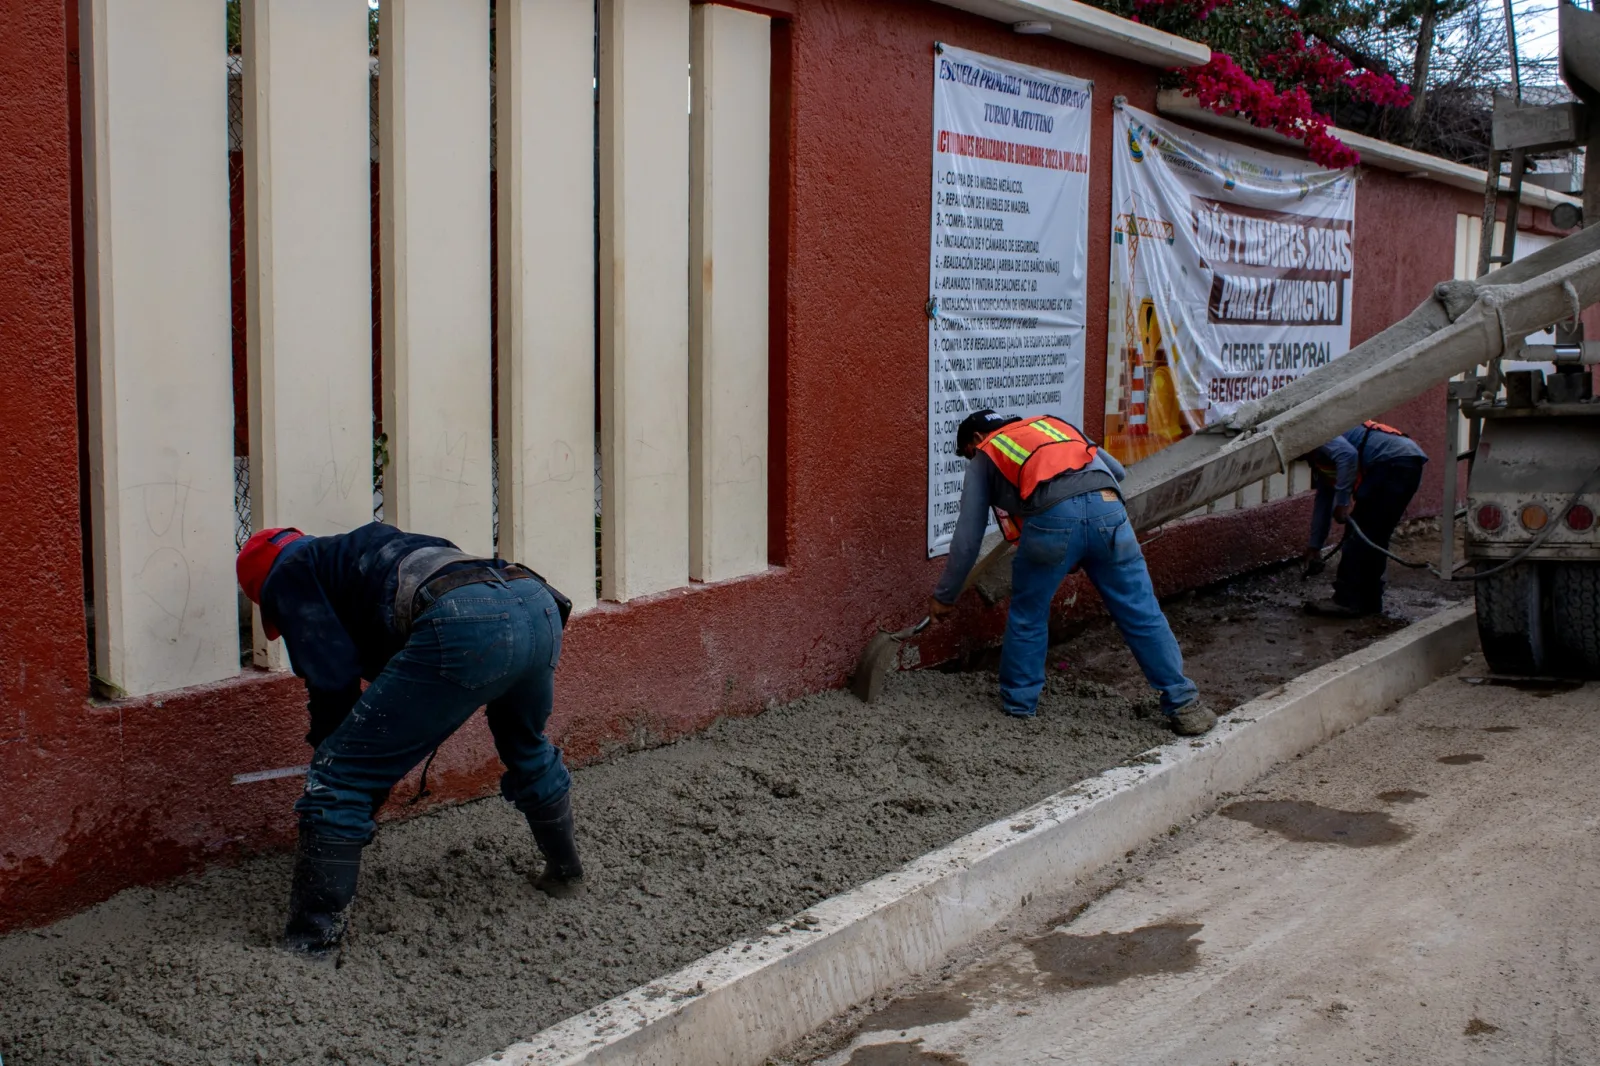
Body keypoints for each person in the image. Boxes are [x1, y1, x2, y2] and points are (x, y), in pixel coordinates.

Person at [235, 522, 583, 957]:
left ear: (263, 589)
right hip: (533, 603)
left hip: (467, 622)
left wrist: (339, 767)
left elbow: (334, 682)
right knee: (526, 744)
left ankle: (309, 944)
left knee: (338, 777)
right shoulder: (365, 548)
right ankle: (565, 874)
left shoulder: (287, 572)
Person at [929, 410, 1215, 735]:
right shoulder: (1052, 424)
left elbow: (967, 540)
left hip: (1052, 521)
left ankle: (1019, 709)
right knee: (1142, 611)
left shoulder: (987, 451)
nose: (971, 459)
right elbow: (1117, 471)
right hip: (1109, 509)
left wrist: (945, 596)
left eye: (967, 453)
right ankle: (1185, 704)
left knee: (1028, 615)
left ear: (976, 439)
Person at [1301, 420, 1429, 618]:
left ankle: (1347, 601)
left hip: (1390, 463)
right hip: (1407, 461)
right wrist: (1314, 546)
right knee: (1375, 535)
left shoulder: (1315, 435)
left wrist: (1343, 502)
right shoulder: (1323, 457)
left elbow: (1347, 455)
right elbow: (1324, 501)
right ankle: (1370, 600)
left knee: (1359, 535)